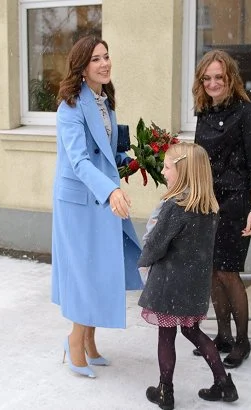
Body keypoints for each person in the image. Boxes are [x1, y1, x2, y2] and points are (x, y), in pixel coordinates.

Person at [51, 35, 143, 379]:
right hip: (79, 202)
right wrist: (111, 191)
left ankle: (89, 342)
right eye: (96, 59)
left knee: (100, 266)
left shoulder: (105, 101)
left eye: (106, 56)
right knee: (84, 270)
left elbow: (105, 152)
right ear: (82, 67)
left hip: (101, 196)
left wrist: (134, 163)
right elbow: (78, 160)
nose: (105, 63)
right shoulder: (70, 107)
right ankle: (74, 342)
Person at [138, 142, 239, 410]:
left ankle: (165, 391)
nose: (164, 171)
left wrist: (143, 262)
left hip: (170, 284)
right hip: (194, 285)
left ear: (183, 172)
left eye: (168, 167)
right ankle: (223, 383)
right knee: (193, 331)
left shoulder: (176, 207)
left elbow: (156, 244)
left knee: (166, 335)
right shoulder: (209, 207)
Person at [193, 49, 251, 369]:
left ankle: (243, 340)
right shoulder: (203, 113)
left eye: (218, 77)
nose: (212, 83)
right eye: (206, 78)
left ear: (229, 77)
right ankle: (222, 335)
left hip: (236, 204)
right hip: (207, 204)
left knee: (228, 271)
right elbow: (198, 163)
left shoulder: (246, 112)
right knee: (211, 272)